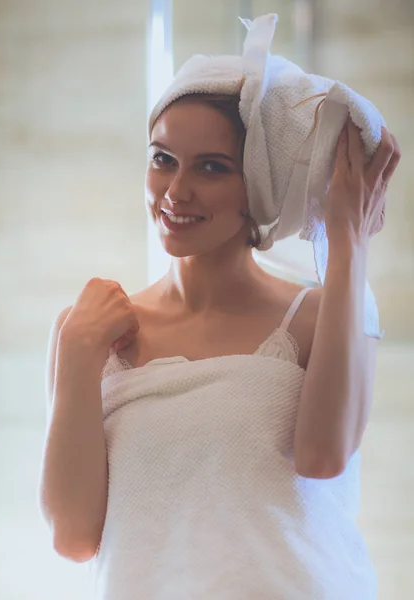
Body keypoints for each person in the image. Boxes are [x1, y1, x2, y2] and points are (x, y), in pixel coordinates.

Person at [38, 14, 400, 599]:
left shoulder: (318, 313)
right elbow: (75, 536)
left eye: (211, 167)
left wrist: (349, 241)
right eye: (162, 159)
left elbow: (322, 455)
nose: (176, 192)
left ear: (254, 184)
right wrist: (79, 354)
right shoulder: (87, 333)